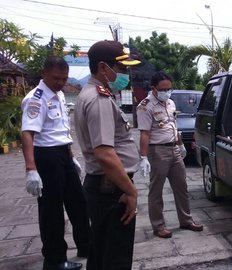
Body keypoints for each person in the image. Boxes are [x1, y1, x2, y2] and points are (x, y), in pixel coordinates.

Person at [74, 40, 140, 269]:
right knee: (115, 259)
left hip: (105, 187)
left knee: (101, 255)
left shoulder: (93, 93)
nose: (125, 74)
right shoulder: (99, 99)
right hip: (112, 190)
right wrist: (131, 191)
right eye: (121, 69)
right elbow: (104, 154)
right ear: (104, 67)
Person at [21, 56, 90, 270]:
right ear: (44, 74)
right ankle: (54, 260)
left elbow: (61, 130)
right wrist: (31, 169)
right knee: (52, 210)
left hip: (62, 153)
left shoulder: (59, 95)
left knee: (78, 202)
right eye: (56, 78)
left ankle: (87, 246)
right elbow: (28, 134)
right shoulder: (36, 98)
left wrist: (71, 157)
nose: (60, 82)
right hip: (46, 156)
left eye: (64, 78)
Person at [137, 71, 203, 238]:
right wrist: (143, 157)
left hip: (174, 149)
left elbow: (173, 126)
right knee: (156, 191)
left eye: (169, 88)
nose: (166, 92)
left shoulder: (170, 103)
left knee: (182, 187)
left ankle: (186, 220)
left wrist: (180, 145)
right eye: (163, 89)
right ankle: (158, 226)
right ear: (154, 88)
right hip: (158, 151)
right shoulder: (146, 106)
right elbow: (144, 133)